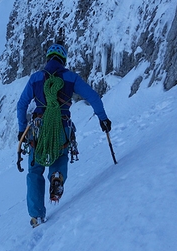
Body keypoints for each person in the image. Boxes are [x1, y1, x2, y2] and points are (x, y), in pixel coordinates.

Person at [17, 43, 111, 227]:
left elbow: (21, 105)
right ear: (63, 60)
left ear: (48, 58)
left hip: (38, 128)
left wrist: (22, 129)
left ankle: (37, 216)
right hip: (62, 126)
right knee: (60, 155)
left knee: (35, 170)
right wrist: (103, 119)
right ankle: (57, 176)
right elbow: (93, 97)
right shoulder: (71, 78)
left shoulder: (35, 79)